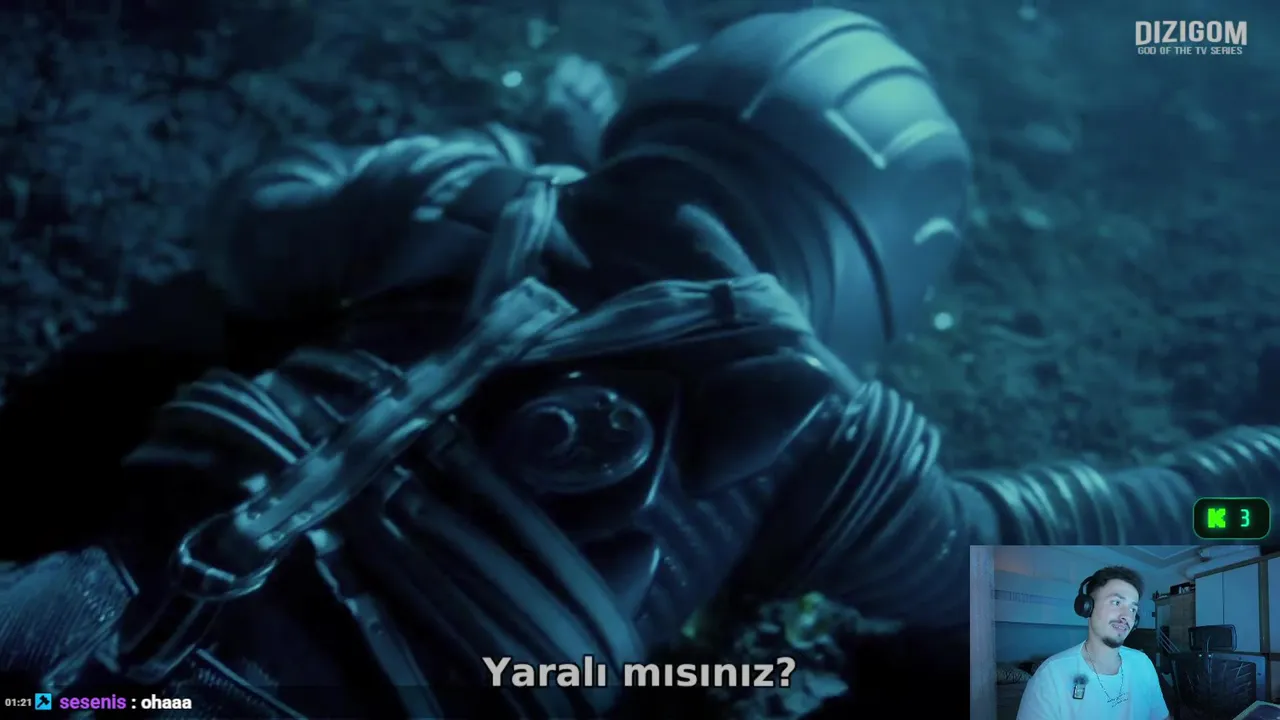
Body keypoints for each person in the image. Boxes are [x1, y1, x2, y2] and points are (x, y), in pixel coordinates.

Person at [1, 7, 1278, 718]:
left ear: (666, 106)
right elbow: (1035, 548)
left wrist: (494, 149)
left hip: (77, 627)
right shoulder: (813, 423)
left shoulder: (463, 198)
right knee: (1195, 649)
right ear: (887, 268)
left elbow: (251, 225)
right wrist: (1255, 465)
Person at [1017, 567, 1170, 720]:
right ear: (1087, 607)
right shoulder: (1050, 675)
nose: (1126, 616)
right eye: (1116, 602)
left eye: (1132, 609)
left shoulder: (1143, 663)